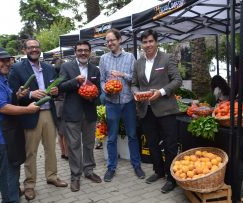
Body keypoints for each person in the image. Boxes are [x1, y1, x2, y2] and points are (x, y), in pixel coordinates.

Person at [8, 39, 68, 201]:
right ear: (25, 50)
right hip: (30, 113)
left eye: (36, 46)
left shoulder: (48, 68)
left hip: (49, 112)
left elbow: (55, 89)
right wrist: (29, 94)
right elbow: (13, 93)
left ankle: (52, 176)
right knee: (31, 152)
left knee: (50, 148)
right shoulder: (17, 68)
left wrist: (55, 90)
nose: (34, 49)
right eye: (31, 47)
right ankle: (29, 185)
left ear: (40, 49)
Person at [0, 47, 40, 203]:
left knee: (12, 168)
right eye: (2, 60)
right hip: (0, 135)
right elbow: (3, 107)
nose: (6, 63)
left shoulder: (1, 78)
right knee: (8, 172)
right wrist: (28, 110)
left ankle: (13, 194)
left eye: (8, 60)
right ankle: (10, 199)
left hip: (6, 132)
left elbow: (5, 100)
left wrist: (17, 95)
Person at [131, 29, 182, 193]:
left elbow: (177, 80)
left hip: (166, 109)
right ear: (142, 44)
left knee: (170, 145)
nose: (148, 45)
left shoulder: (166, 58)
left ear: (157, 42)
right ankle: (158, 171)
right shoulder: (138, 63)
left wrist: (160, 92)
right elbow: (133, 83)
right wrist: (136, 92)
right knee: (152, 143)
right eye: (145, 42)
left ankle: (171, 177)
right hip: (146, 110)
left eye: (151, 41)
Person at [99, 28, 145, 182]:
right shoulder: (104, 58)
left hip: (128, 102)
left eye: (112, 40)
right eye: (108, 41)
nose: (110, 43)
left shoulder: (130, 57)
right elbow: (102, 79)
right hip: (112, 103)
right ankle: (111, 168)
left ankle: (136, 165)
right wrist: (105, 88)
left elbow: (134, 78)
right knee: (111, 137)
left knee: (132, 135)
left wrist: (122, 75)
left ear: (119, 40)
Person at [59, 40, 102, 192]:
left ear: (89, 52)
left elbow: (99, 90)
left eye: (85, 50)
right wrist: (75, 82)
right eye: (80, 50)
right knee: (74, 145)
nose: (83, 53)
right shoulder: (66, 67)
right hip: (72, 112)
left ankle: (89, 171)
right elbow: (60, 87)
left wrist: (93, 95)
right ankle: (75, 176)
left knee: (89, 144)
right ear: (75, 52)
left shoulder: (94, 69)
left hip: (89, 112)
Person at [53, 58, 68, 161]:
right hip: (63, 105)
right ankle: (67, 153)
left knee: (60, 131)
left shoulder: (53, 78)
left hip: (56, 106)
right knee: (65, 131)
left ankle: (63, 152)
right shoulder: (63, 79)